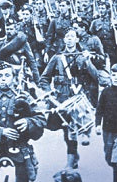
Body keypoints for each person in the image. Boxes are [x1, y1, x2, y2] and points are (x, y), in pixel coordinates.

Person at [38, 27, 102, 168]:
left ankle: (71, 160)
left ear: (77, 39)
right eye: (67, 36)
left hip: (78, 97)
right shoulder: (57, 58)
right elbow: (44, 78)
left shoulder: (82, 56)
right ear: (64, 39)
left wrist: (88, 61)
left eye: (72, 36)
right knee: (66, 129)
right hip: (61, 98)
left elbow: (96, 77)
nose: (69, 39)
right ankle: (73, 156)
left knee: (72, 128)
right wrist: (49, 92)